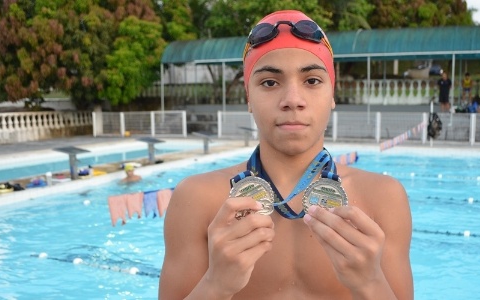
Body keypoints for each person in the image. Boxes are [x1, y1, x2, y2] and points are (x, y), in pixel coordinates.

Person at [158, 10, 413, 300]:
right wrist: (216, 284)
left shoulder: (384, 199)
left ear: (332, 93)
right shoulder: (196, 200)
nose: (292, 100)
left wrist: (370, 283)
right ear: (248, 98)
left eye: (312, 81)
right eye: (269, 82)